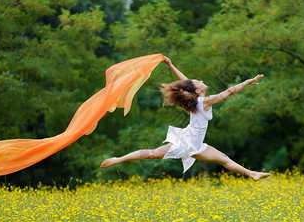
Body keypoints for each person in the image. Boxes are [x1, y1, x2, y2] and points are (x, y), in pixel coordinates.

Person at [101, 57, 270, 181]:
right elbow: (229, 92)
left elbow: (186, 82)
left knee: (225, 159)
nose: (201, 80)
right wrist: (247, 81)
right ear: (197, 91)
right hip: (187, 141)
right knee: (153, 154)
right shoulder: (204, 102)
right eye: (198, 81)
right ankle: (119, 159)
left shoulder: (197, 100)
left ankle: (252, 174)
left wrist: (171, 65)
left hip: (197, 145)